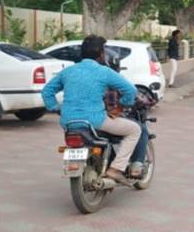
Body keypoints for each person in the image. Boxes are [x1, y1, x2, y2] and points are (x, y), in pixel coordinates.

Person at [41, 35, 142, 184]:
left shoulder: (68, 71)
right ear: (101, 54)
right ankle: (116, 169)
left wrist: (56, 108)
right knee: (135, 130)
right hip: (96, 121)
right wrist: (121, 105)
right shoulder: (104, 72)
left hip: (68, 122)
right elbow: (131, 91)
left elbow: (47, 91)